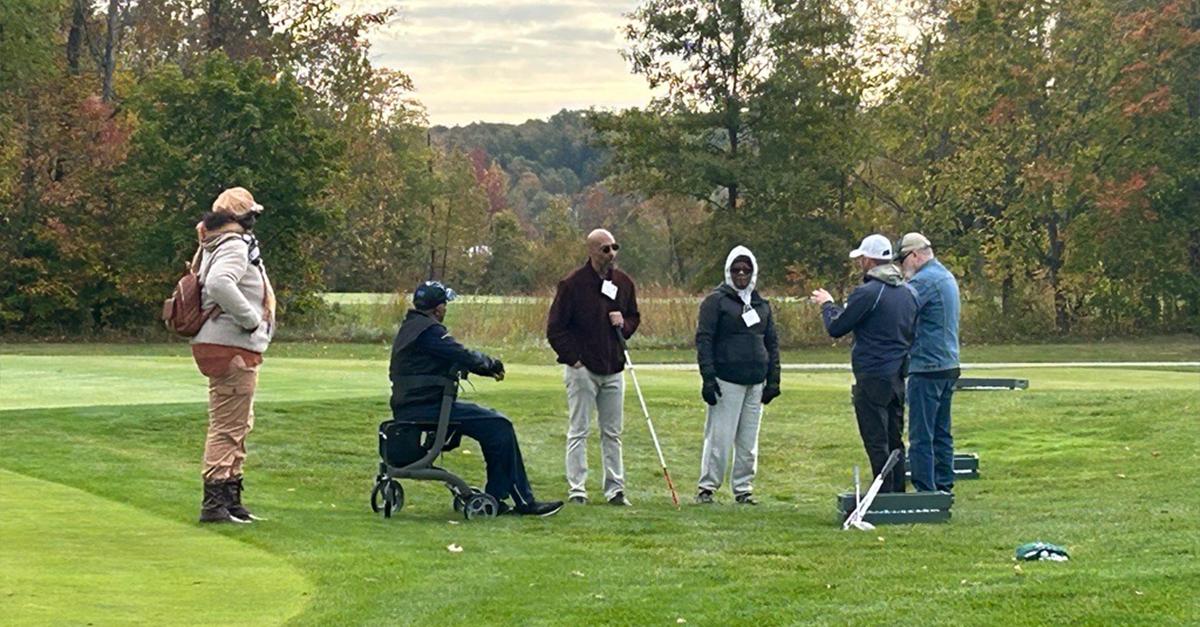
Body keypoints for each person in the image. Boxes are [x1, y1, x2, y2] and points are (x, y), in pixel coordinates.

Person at [389, 281, 564, 517]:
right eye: (445, 304)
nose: (446, 309)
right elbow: (461, 353)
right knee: (499, 426)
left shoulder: (411, 327)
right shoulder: (429, 331)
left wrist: (481, 369)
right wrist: (491, 365)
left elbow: (447, 359)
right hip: (428, 407)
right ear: (438, 308)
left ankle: (496, 496)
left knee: (492, 425)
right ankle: (522, 501)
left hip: (412, 405)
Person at [192, 186, 275, 524]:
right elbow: (218, 284)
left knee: (238, 423)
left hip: (227, 345)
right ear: (241, 217)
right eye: (251, 215)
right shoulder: (233, 245)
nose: (254, 220)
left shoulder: (214, 242)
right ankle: (215, 504)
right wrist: (251, 319)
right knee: (228, 426)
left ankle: (230, 499)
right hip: (231, 345)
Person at [811, 234, 916, 494]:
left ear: (868, 260)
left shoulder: (869, 292)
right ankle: (897, 494)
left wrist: (827, 305)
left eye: (861, 259)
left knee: (875, 439)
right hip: (898, 375)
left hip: (872, 374)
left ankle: (881, 495)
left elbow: (837, 327)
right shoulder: (908, 292)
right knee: (894, 439)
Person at [546, 229, 640, 506]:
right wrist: (573, 359)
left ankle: (615, 489)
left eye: (614, 248)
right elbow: (555, 329)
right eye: (605, 249)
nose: (611, 254)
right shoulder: (572, 284)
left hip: (614, 367)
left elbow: (634, 317)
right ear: (592, 252)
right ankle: (577, 489)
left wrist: (624, 323)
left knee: (613, 432)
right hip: (583, 369)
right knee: (579, 430)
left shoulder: (623, 283)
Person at [694, 246, 781, 505]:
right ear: (728, 272)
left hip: (756, 380)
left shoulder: (760, 304)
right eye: (736, 269)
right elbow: (704, 339)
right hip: (726, 379)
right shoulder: (716, 302)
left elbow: (772, 343)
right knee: (719, 437)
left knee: (748, 442)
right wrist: (708, 377)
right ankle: (707, 487)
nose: (741, 273)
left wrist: (773, 379)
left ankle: (743, 488)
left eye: (746, 269)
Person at [897, 232, 961, 493]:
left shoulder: (923, 281)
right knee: (941, 432)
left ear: (914, 255)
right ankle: (944, 485)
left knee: (921, 435)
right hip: (948, 364)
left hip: (927, 366)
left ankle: (926, 490)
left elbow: (900, 310)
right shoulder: (944, 275)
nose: (902, 266)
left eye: (902, 259)